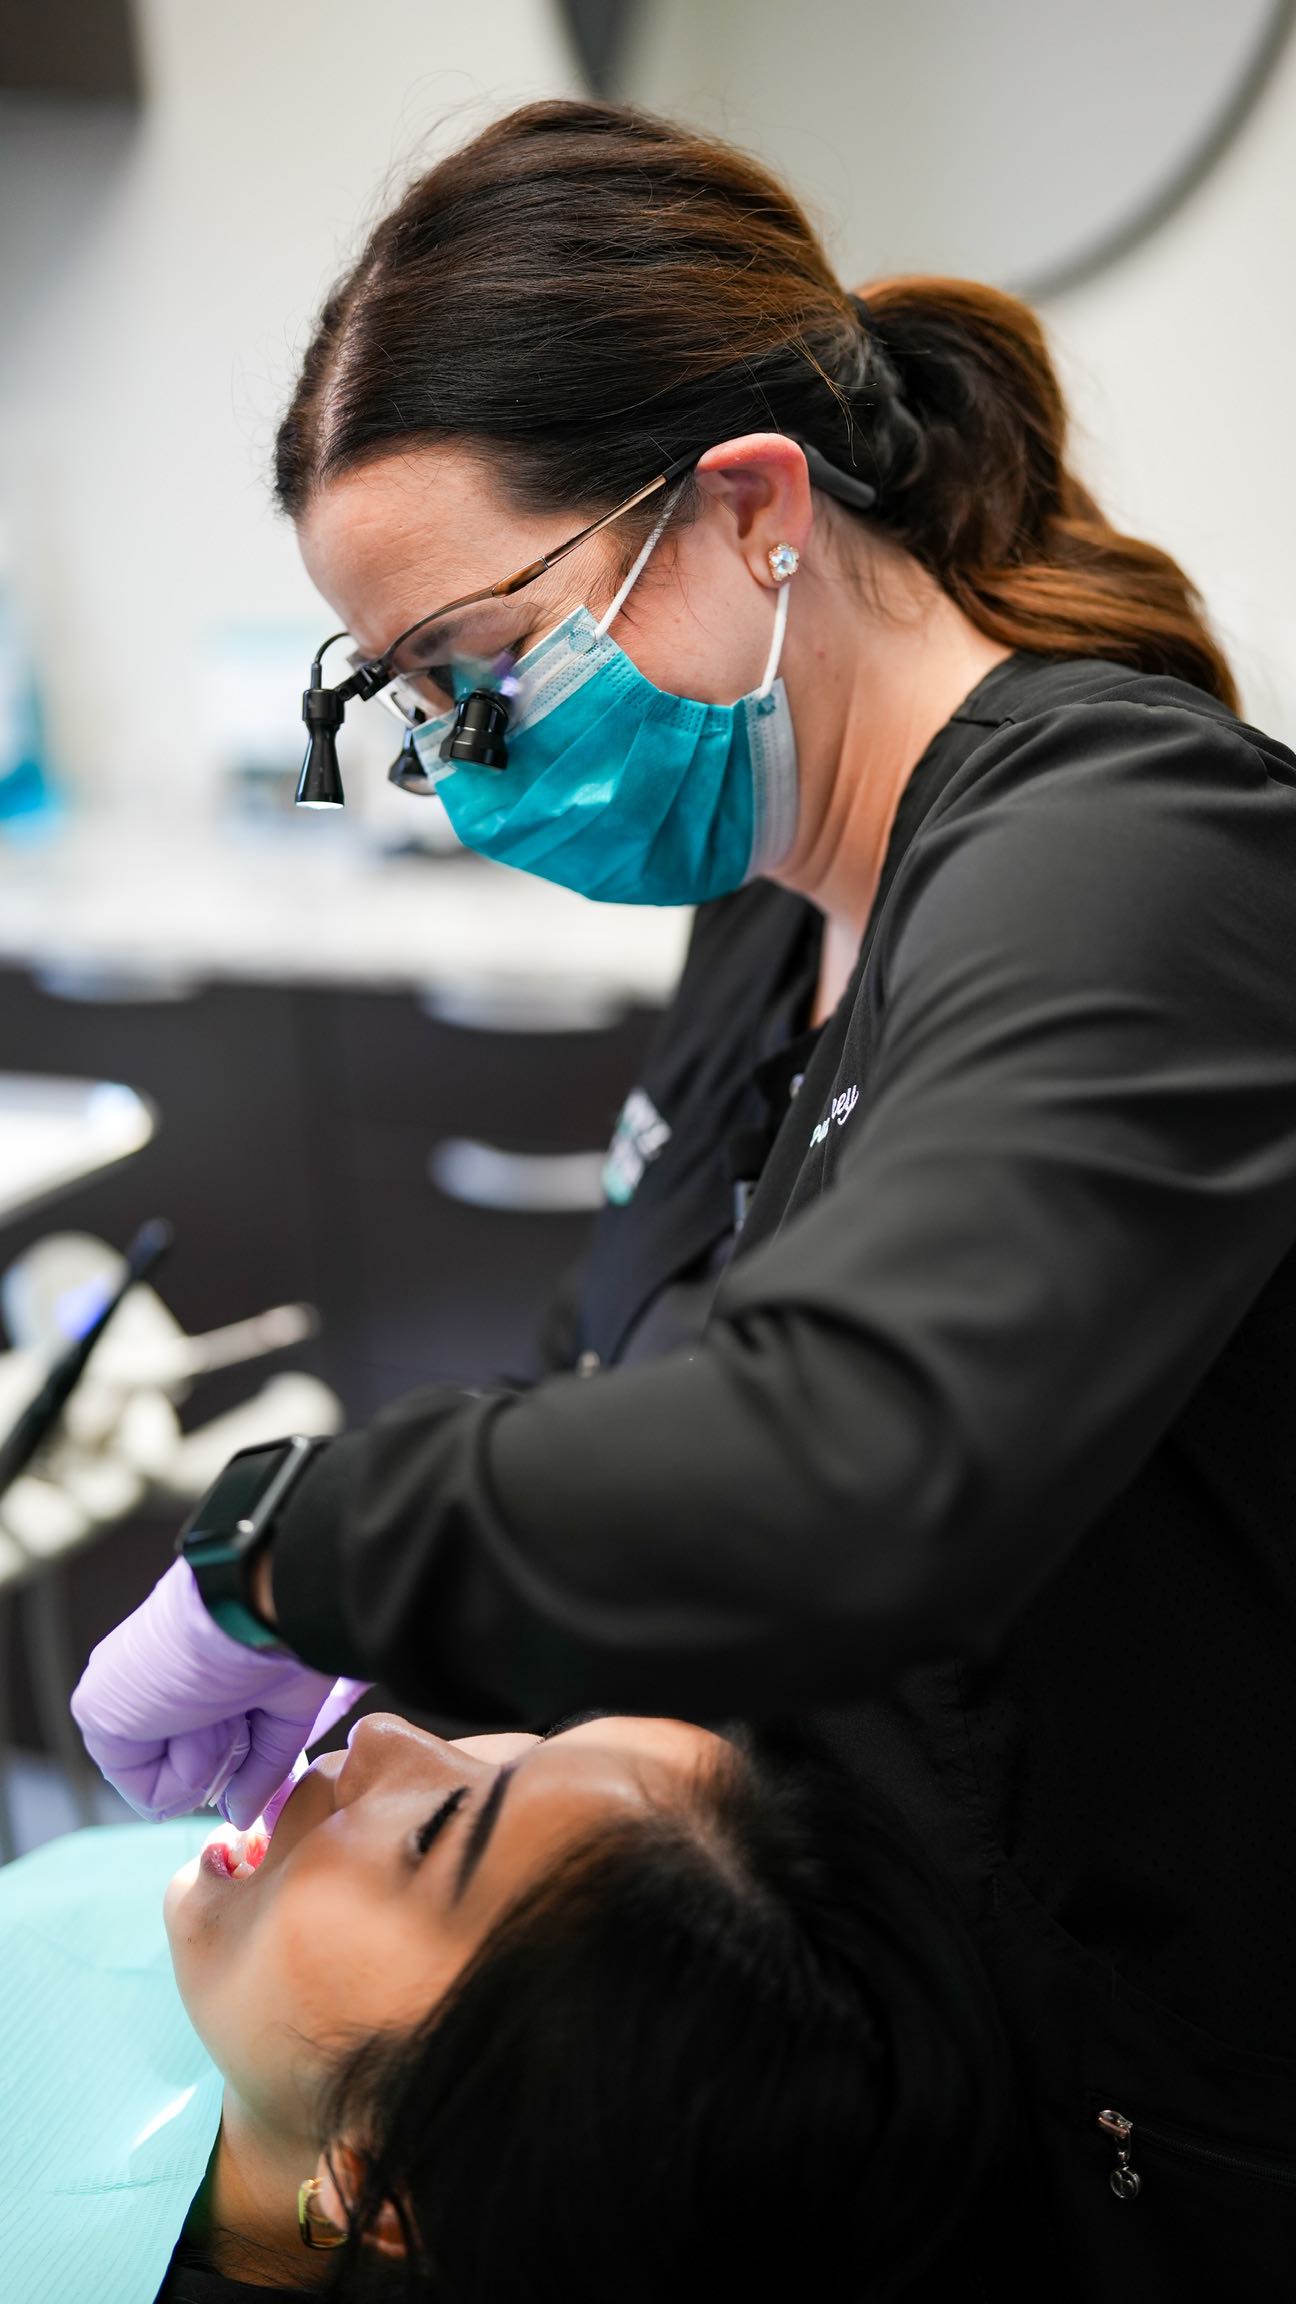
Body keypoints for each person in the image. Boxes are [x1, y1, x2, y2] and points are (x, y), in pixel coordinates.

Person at [73, 98, 1296, 2299]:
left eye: (474, 670)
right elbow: (624, 1359)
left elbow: (851, 1455)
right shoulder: (768, 907)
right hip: (932, 2132)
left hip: (1186, 2154)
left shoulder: (1137, 862)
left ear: (747, 511)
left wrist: (306, 1548)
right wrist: (459, 1685)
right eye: (406, 707)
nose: (456, 771)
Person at [0, 1708, 1010, 2302]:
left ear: (382, 2190)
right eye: (531, 1753)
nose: (387, 1734)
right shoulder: (257, 1972)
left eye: (437, 1834)